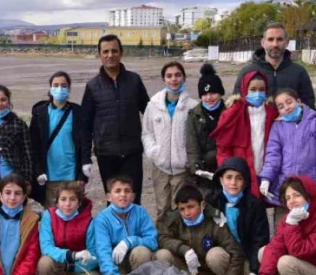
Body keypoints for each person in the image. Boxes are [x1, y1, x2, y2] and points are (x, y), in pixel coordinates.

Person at [80, 34, 149, 201]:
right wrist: (85, 157)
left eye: (114, 51)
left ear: (121, 53)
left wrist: (151, 144)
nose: (110, 55)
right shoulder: (92, 86)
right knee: (113, 201)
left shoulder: (134, 80)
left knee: (133, 199)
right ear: (100, 55)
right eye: (106, 51)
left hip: (132, 152)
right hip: (106, 154)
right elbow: (85, 124)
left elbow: (149, 112)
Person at [155, 185, 244, 275]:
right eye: (182, 209)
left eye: (191, 207)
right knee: (162, 255)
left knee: (215, 256)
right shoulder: (173, 219)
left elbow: (235, 251)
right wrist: (184, 249)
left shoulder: (215, 221)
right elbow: (162, 238)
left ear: (202, 205)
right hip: (184, 270)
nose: (186, 213)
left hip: (206, 271)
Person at [208, 157, 271, 275]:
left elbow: (260, 241)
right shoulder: (212, 201)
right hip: (227, 255)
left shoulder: (254, 205)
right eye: (228, 177)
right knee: (214, 255)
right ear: (221, 179)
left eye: (239, 178)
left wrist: (255, 271)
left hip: (248, 256)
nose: (233, 183)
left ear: (245, 182)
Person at [258, 88, 316, 206]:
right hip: (286, 187)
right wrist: (266, 178)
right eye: (281, 106)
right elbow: (273, 155)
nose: (286, 108)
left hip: (309, 185)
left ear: (298, 101)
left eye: (289, 102)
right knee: (285, 222)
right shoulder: (277, 127)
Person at [212, 70, 278, 198]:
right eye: (253, 89)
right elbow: (223, 149)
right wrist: (229, 175)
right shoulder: (232, 114)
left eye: (261, 89)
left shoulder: (272, 113)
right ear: (244, 89)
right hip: (240, 176)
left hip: (268, 175)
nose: (257, 93)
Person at [142, 61, 198, 212]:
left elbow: (197, 138)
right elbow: (147, 133)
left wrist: (187, 159)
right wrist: (154, 152)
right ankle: (162, 236)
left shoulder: (193, 107)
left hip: (183, 170)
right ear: (164, 80)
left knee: (183, 210)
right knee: (163, 210)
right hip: (161, 168)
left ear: (184, 78)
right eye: (169, 76)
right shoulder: (153, 105)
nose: (174, 79)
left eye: (178, 75)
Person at [30, 71, 91, 206]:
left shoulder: (78, 112)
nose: (60, 89)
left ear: (69, 88)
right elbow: (34, 145)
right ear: (50, 88)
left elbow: (84, 142)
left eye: (64, 85)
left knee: (74, 216)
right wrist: (38, 171)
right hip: (50, 177)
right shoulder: (40, 113)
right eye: (56, 85)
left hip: (72, 176)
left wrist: (82, 175)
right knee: (53, 218)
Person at [89, 176, 158, 275]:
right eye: (117, 191)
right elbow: (103, 252)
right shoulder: (102, 219)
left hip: (139, 260)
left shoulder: (140, 212)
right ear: (108, 197)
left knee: (144, 252)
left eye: (127, 191)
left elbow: (153, 242)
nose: (123, 195)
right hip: (117, 263)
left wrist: (130, 241)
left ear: (133, 196)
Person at [37, 181, 100, 275]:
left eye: (72, 199)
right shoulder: (49, 216)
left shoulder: (88, 221)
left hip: (82, 268)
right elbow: (46, 247)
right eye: (63, 199)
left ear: (79, 202)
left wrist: (83, 261)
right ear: (57, 202)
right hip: (58, 266)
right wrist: (72, 255)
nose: (67, 204)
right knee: (44, 263)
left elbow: (95, 252)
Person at [237, 22, 316, 109]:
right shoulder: (247, 72)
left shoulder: (299, 72)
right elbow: (236, 106)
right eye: (270, 39)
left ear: (286, 42)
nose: (275, 44)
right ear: (263, 43)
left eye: (279, 39)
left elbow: (309, 107)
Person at [185, 63, 228, 189]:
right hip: (203, 171)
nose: (209, 97)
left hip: (225, 168)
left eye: (213, 93)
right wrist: (196, 168)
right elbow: (192, 145)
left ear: (220, 93)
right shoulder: (194, 115)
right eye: (204, 94)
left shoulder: (229, 112)